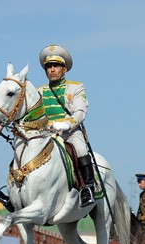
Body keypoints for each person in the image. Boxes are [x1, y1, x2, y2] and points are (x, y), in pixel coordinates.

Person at [38, 44, 94, 207]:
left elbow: (80, 112)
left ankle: (88, 188)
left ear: (64, 69)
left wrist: (65, 124)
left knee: (81, 149)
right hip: (47, 134)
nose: (52, 70)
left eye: (56, 66)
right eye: (48, 67)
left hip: (70, 133)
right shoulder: (39, 91)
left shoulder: (75, 87)